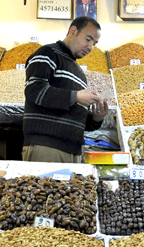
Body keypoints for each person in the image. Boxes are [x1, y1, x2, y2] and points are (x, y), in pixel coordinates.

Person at [22, 16, 108, 163]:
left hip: (74, 151)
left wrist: (96, 118)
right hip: (47, 147)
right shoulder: (48, 53)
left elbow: (76, 119)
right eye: (88, 39)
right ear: (73, 31)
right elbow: (34, 90)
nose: (90, 47)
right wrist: (76, 96)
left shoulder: (80, 74)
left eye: (94, 43)